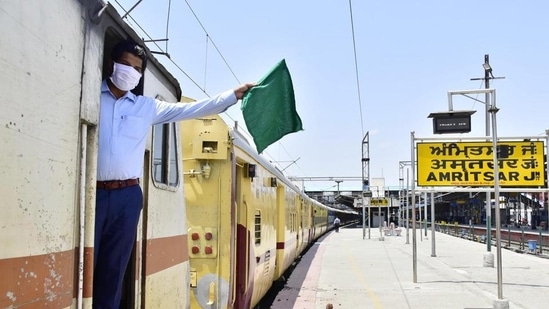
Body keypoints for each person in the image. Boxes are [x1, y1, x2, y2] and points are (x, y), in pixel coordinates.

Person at [93, 39, 255, 308]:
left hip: (128, 196)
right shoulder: (91, 93)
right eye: (125, 64)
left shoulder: (145, 107)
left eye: (136, 68)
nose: (130, 71)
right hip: (93, 192)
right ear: (111, 63)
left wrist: (232, 96)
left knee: (113, 270)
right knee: (86, 263)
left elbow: (191, 109)